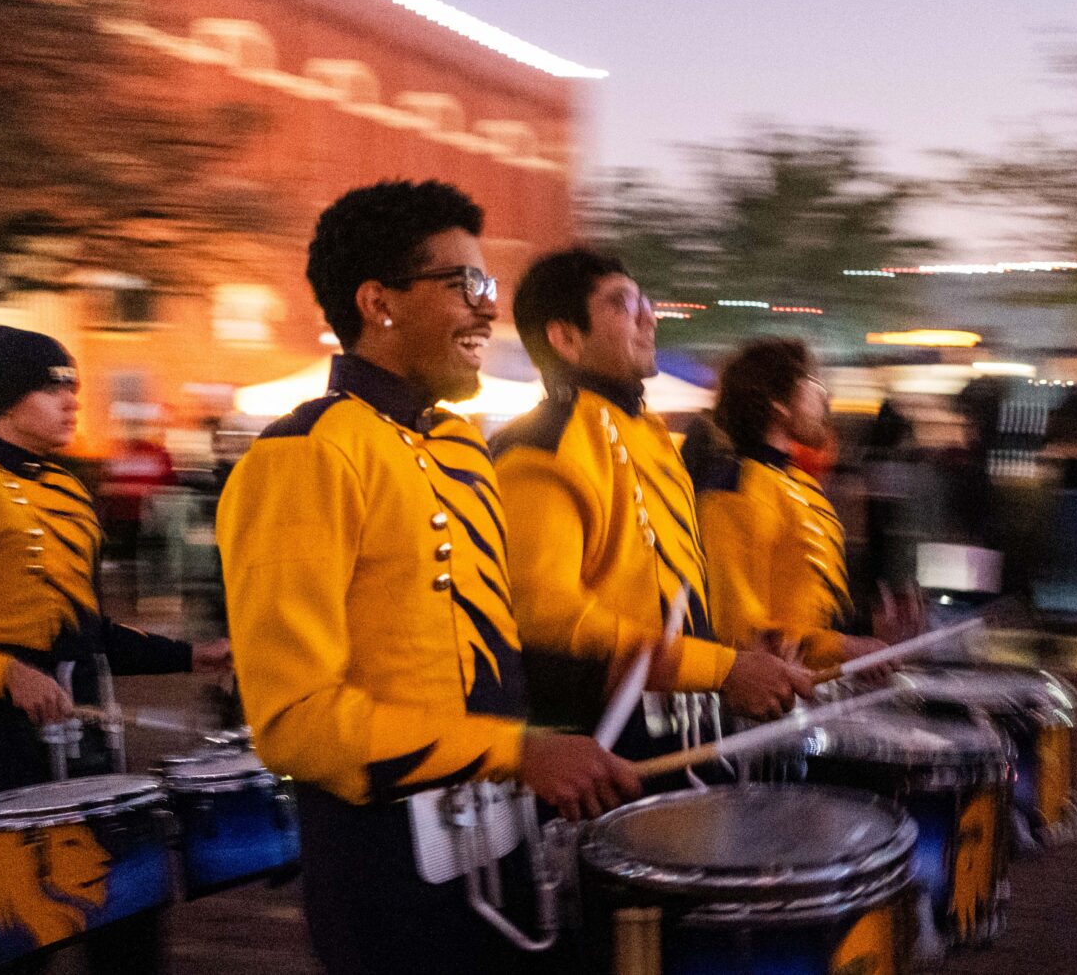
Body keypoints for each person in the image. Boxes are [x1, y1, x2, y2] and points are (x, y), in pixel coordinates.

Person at [217, 182, 639, 975]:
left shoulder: (458, 443)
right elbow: (295, 721)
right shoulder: (305, 454)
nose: (488, 309)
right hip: (391, 880)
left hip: (505, 851)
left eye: (490, 286)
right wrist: (517, 751)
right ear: (378, 301)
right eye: (466, 285)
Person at [0, 325, 224, 975]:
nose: (72, 401)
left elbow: (90, 636)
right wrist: (5, 675)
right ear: (7, 400)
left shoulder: (71, 497)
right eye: (53, 387)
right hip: (8, 757)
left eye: (74, 387)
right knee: (10, 945)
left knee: (132, 930)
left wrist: (190, 655)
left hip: (95, 756)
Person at [491, 247, 816, 761]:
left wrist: (738, 658)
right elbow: (547, 616)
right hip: (603, 757)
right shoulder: (543, 443)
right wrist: (722, 669)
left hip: (691, 736)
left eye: (645, 302)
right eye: (622, 305)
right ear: (566, 338)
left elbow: (676, 602)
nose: (650, 316)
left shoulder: (652, 433)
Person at [692, 337, 895, 671]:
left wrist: (868, 638)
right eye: (814, 384)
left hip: (804, 693)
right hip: (760, 708)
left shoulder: (796, 484)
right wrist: (844, 648)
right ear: (779, 404)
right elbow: (737, 629)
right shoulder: (734, 490)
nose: (826, 397)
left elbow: (804, 609)